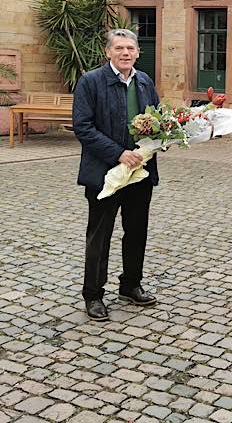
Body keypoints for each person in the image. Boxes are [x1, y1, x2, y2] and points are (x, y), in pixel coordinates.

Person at [72, 29, 160, 321]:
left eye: (130, 48)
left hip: (140, 172)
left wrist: (163, 139)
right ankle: (93, 294)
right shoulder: (91, 82)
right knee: (100, 235)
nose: (125, 53)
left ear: (138, 52)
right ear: (108, 52)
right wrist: (118, 153)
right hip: (105, 173)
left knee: (136, 232)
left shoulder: (145, 81)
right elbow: (83, 128)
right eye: (119, 48)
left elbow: (156, 121)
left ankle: (131, 284)